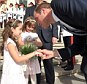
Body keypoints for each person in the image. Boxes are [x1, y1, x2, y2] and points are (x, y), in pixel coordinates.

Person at [34, 1, 87, 83]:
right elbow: (79, 46)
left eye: (37, 18)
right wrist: (54, 53)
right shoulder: (62, 22)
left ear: (43, 11)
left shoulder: (58, 4)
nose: (37, 23)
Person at [24, 1, 58, 84]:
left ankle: (50, 82)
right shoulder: (29, 9)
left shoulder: (47, 8)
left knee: (48, 62)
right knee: (36, 63)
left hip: (47, 38)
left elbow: (54, 23)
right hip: (34, 39)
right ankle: (37, 82)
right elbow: (25, 22)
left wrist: (55, 35)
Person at [0, 19, 41, 84]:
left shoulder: (12, 41)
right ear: (12, 29)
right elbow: (18, 59)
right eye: (19, 29)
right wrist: (33, 53)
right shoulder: (10, 43)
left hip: (16, 71)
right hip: (12, 73)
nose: (21, 31)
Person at [18, 16, 42, 84]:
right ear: (25, 25)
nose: (31, 29)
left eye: (33, 27)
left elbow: (40, 44)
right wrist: (26, 43)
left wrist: (34, 42)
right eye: (29, 26)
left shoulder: (34, 34)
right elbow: (20, 44)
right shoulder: (22, 34)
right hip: (24, 55)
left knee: (33, 74)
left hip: (33, 56)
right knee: (25, 74)